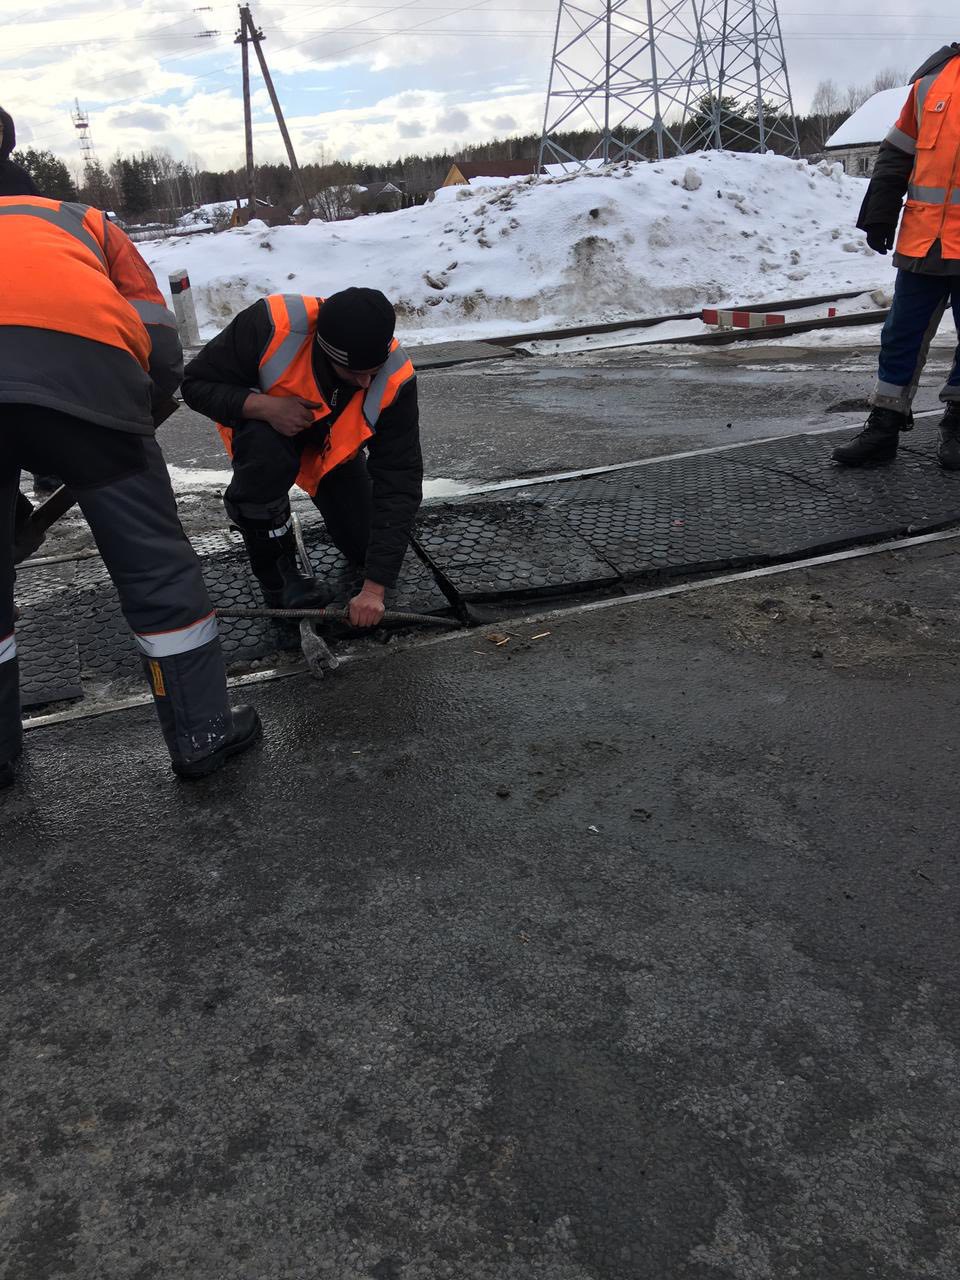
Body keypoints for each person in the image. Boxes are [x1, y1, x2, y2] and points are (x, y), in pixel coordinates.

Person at [0, 194, 261, 789]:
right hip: (87, 368)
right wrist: (139, 408)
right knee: (155, 570)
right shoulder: (79, 218)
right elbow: (155, 329)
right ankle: (202, 736)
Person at [181, 288, 422, 628]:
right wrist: (265, 407)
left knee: (368, 548)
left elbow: (400, 478)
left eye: (374, 370)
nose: (367, 382)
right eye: (354, 373)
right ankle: (278, 572)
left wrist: (374, 588)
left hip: (333, 456)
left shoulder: (396, 378)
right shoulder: (271, 325)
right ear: (325, 352)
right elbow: (195, 384)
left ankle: (318, 518)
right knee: (268, 457)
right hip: (267, 438)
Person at [835, 44, 960, 468]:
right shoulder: (931, 82)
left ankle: (958, 427)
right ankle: (884, 427)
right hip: (925, 239)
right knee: (900, 337)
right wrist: (880, 210)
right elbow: (897, 150)